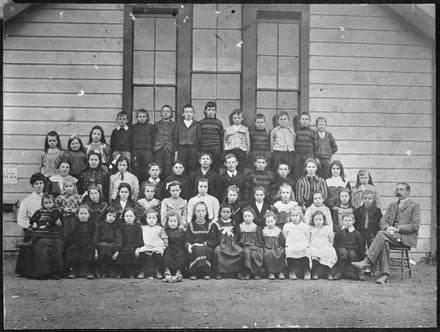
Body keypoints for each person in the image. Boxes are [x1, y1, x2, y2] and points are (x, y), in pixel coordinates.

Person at [352, 182, 420, 284]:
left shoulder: (414, 206)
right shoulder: (393, 205)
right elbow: (383, 221)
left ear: (408, 192)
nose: (398, 192)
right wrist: (388, 228)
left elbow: (414, 226)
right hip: (390, 236)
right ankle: (385, 275)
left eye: (401, 189)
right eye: (397, 189)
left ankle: (367, 260)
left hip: (404, 237)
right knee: (383, 242)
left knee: (381, 234)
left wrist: (397, 229)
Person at [17, 194, 64, 279]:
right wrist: (34, 222)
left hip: (52, 231)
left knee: (55, 244)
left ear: (53, 203)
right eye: (46, 203)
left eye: (50, 202)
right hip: (41, 230)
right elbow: (34, 218)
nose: (48, 205)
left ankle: (55, 272)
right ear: (43, 203)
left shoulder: (56, 211)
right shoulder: (40, 211)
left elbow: (53, 219)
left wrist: (47, 224)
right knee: (34, 233)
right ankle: (42, 272)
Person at [15, 172, 46, 276]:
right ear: (32, 186)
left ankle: (49, 270)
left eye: (41, 183)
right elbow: (21, 218)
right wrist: (30, 225)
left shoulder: (48, 199)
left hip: (46, 227)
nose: (39, 186)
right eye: (36, 183)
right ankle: (31, 271)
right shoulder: (27, 201)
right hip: (32, 228)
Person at [211, 204, 243, 280]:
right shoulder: (216, 223)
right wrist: (218, 243)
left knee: (240, 251)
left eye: (228, 212)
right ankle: (218, 272)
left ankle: (237, 271)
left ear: (231, 213)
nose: (225, 214)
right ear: (220, 213)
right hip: (221, 244)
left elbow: (237, 234)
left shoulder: (234, 223)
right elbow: (214, 236)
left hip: (232, 244)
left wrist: (236, 243)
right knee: (218, 251)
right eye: (223, 212)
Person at [184, 202, 215, 280]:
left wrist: (205, 244)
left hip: (206, 247)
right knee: (195, 248)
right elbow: (187, 238)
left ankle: (204, 272)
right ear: (195, 212)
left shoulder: (210, 225)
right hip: (194, 247)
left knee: (203, 249)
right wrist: (188, 245)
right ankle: (195, 272)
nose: (200, 213)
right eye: (198, 211)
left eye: (202, 211)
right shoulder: (191, 225)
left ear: (206, 212)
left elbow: (213, 240)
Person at [66, 205, 96, 279]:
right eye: (81, 214)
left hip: (88, 245)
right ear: (77, 215)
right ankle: (74, 271)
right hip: (77, 245)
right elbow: (70, 236)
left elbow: (95, 236)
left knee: (91, 251)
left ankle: (90, 271)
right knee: (72, 250)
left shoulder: (92, 225)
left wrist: (92, 244)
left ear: (89, 215)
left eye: (85, 214)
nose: (83, 216)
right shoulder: (75, 224)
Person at [331, 213, 364, 280]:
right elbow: (336, 244)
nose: (347, 222)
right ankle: (340, 271)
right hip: (342, 249)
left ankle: (357, 271)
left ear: (353, 221)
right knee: (343, 253)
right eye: (345, 220)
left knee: (352, 254)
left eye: (349, 220)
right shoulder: (339, 233)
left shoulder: (356, 233)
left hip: (352, 249)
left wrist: (360, 255)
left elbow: (360, 246)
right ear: (342, 222)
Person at [137, 209, 168, 279]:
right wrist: (139, 246)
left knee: (158, 255)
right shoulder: (143, 228)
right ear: (146, 219)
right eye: (149, 218)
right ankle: (143, 270)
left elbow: (164, 238)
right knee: (141, 253)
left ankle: (157, 270)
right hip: (146, 246)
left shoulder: (159, 229)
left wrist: (164, 246)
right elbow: (140, 238)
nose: (151, 220)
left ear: (157, 219)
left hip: (156, 246)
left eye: (154, 218)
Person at [92, 205, 122, 278]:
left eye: (113, 216)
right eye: (110, 215)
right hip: (100, 244)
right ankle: (99, 269)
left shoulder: (116, 226)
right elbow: (95, 237)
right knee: (104, 246)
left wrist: (117, 250)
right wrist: (95, 248)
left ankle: (106, 269)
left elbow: (118, 238)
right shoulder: (100, 225)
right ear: (105, 215)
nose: (111, 218)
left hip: (112, 245)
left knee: (109, 247)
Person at [283, 206, 311, 280]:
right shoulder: (287, 226)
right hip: (291, 243)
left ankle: (306, 270)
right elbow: (285, 236)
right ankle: (291, 271)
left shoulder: (304, 225)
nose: (294, 218)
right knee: (290, 251)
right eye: (292, 216)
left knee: (305, 251)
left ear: (300, 216)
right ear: (290, 216)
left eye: (296, 215)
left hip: (302, 243)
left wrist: (305, 244)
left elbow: (307, 236)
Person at [115, 208, 144, 278]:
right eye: (127, 216)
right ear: (123, 217)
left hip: (133, 247)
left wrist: (137, 248)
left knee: (132, 254)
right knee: (122, 254)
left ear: (134, 217)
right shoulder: (120, 227)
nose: (129, 218)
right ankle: (120, 272)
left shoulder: (138, 227)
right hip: (123, 247)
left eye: (131, 216)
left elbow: (139, 238)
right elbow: (118, 238)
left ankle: (131, 272)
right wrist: (118, 249)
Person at [354, 190, 383, 260]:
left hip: (372, 232)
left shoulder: (377, 210)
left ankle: (371, 264)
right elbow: (355, 222)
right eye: (365, 198)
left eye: (369, 199)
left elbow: (380, 222)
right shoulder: (358, 210)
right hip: (361, 232)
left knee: (372, 247)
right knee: (360, 248)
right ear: (362, 200)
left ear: (373, 200)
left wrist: (377, 232)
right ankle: (361, 262)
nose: (367, 200)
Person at [237, 207, 265, 280]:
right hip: (243, 246)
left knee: (254, 253)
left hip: (255, 246)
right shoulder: (240, 227)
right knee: (245, 251)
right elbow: (237, 239)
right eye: (245, 216)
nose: (247, 218)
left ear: (253, 217)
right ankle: (247, 272)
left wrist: (256, 245)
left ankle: (256, 273)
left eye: (249, 216)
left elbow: (260, 240)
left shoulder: (256, 227)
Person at [309, 210, 337, 280]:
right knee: (314, 253)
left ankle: (328, 272)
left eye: (320, 219)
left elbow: (331, 240)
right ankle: (314, 272)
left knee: (330, 252)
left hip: (325, 245)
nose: (318, 221)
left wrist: (328, 245)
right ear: (313, 221)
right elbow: (309, 240)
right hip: (314, 245)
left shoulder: (327, 229)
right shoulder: (311, 229)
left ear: (323, 220)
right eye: (316, 220)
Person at [55, 175, 82, 247]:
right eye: (66, 186)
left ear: (74, 186)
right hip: (65, 219)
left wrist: (76, 210)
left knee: (75, 233)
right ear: (64, 187)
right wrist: (63, 209)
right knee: (65, 233)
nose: (69, 188)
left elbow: (82, 207)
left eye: (70, 186)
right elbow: (56, 208)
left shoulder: (77, 197)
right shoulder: (60, 197)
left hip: (75, 218)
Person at [174, 104, 201, 174]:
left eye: (190, 112)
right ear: (183, 114)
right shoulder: (178, 124)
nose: (188, 114)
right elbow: (176, 138)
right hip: (182, 148)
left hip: (193, 148)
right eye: (186, 112)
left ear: (193, 113)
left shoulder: (197, 125)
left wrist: (198, 151)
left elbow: (199, 138)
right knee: (182, 165)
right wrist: (176, 151)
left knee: (192, 166)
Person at [199, 101, 224, 172]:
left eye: (213, 110)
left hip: (215, 147)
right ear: (205, 111)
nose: (211, 112)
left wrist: (221, 151)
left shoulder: (218, 123)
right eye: (209, 110)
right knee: (204, 166)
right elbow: (199, 137)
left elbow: (221, 137)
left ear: (215, 111)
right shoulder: (201, 123)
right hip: (204, 147)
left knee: (215, 167)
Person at [131, 109, 155, 182]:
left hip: (147, 151)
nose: (142, 118)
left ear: (147, 117)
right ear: (137, 117)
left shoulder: (150, 126)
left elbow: (153, 139)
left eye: (144, 116)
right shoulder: (134, 127)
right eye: (140, 116)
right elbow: (131, 139)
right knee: (136, 169)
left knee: (147, 169)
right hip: (136, 151)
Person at [292, 112, 317, 182]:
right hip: (298, 155)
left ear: (309, 121)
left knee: (308, 172)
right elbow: (293, 143)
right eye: (303, 119)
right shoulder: (296, 131)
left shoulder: (312, 132)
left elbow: (315, 145)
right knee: (297, 173)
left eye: (306, 119)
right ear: (299, 120)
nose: (305, 121)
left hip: (308, 155)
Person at [162, 212, 186, 282]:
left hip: (178, 248)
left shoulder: (181, 231)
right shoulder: (165, 231)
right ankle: (167, 271)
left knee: (182, 253)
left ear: (178, 222)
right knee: (166, 253)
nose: (173, 223)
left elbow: (184, 241)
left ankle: (178, 272)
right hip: (169, 248)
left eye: (175, 221)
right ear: (167, 222)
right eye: (171, 221)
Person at [153, 104, 176, 179]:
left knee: (168, 168)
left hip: (169, 148)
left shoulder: (174, 125)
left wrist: (175, 150)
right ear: (161, 113)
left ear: (171, 114)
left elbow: (175, 137)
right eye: (164, 111)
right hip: (158, 149)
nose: (166, 113)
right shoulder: (156, 124)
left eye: (168, 111)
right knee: (158, 168)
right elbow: (153, 136)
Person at [262, 211, 286, 280]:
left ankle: (280, 272)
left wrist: (283, 247)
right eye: (268, 222)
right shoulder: (264, 231)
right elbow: (262, 241)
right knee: (268, 254)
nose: (270, 223)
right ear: (265, 223)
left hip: (277, 247)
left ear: (275, 221)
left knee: (281, 253)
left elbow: (282, 241)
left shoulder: (278, 230)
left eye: (271, 221)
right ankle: (270, 272)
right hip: (268, 247)